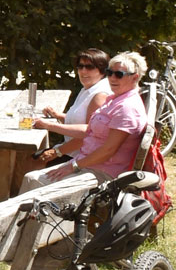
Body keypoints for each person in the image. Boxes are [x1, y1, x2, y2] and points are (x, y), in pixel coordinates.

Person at [22, 51, 148, 191]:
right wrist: (50, 124)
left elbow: (108, 150)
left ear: (135, 78)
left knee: (34, 180)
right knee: (31, 177)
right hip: (87, 164)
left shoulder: (126, 108)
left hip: (102, 174)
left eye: (118, 74)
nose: (112, 78)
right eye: (110, 72)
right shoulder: (115, 99)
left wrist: (72, 164)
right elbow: (89, 130)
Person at [35, 48, 112, 159]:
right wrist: (57, 115)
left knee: (26, 162)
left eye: (89, 67)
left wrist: (56, 151)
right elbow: (79, 120)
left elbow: (90, 134)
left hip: (81, 158)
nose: (83, 71)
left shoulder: (99, 95)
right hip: (71, 151)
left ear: (103, 70)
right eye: (80, 66)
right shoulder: (89, 88)